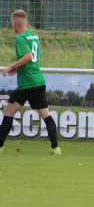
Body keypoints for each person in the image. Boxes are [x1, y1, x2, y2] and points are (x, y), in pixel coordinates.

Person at [0, 10, 61, 155]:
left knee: (8, 112)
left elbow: (28, 56)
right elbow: (32, 59)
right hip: (38, 80)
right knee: (46, 115)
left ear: (14, 23)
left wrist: (11, 66)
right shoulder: (34, 36)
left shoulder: (20, 38)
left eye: (11, 23)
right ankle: (56, 148)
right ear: (25, 22)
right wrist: (18, 68)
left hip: (27, 83)